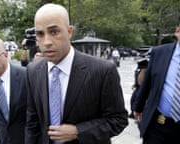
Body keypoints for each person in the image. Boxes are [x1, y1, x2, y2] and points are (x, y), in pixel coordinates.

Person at [25, 3, 128, 144]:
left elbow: (118, 120)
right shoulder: (32, 71)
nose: (47, 42)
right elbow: (32, 122)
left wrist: (78, 131)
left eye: (54, 32)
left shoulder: (103, 70)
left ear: (69, 32)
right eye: (40, 34)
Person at [133, 26, 180, 144]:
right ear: (178, 31)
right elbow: (147, 83)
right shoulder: (160, 52)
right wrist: (138, 107)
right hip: (158, 126)